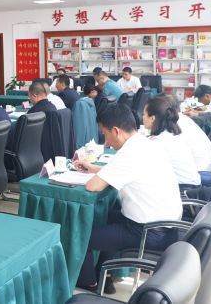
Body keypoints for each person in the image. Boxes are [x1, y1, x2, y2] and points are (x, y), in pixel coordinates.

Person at [74, 104, 181, 293]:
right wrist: (95, 169)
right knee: (105, 217)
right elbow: (127, 170)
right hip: (165, 226)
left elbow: (93, 186)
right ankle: (105, 278)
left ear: (116, 131)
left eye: (105, 134)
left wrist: (96, 175)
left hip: (148, 232)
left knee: (82, 236)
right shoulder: (145, 144)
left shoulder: (129, 152)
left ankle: (89, 284)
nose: (106, 142)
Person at [143, 95, 200, 189]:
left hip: (184, 190)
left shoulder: (158, 141)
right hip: (191, 186)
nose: (143, 118)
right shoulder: (171, 134)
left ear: (152, 118)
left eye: (144, 114)